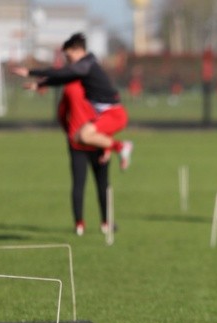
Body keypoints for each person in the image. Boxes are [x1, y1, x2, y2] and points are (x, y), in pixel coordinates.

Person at [12, 32, 133, 170]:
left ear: (78, 51)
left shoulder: (86, 65)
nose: (68, 61)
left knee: (84, 135)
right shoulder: (86, 66)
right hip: (108, 114)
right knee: (78, 137)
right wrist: (39, 85)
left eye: (69, 57)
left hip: (114, 114)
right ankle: (119, 147)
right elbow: (64, 78)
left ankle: (122, 147)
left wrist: (30, 72)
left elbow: (61, 73)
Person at [57, 80, 110, 236]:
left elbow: (61, 114)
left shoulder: (69, 87)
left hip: (81, 142)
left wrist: (70, 131)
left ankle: (81, 224)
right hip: (95, 142)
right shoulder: (100, 86)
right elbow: (109, 118)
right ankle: (103, 223)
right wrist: (108, 145)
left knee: (80, 184)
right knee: (101, 184)